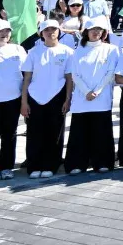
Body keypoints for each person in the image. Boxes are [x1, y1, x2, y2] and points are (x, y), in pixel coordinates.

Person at [64, 17, 118, 174]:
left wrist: (97, 91)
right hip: (82, 98)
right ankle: (77, 164)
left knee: (101, 131)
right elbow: (75, 74)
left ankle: (102, 162)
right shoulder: (77, 51)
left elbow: (110, 72)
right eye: (93, 29)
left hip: (102, 97)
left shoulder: (111, 49)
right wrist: (86, 91)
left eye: (99, 30)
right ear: (86, 32)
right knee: (80, 132)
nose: (96, 32)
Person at [20, 19, 71, 177]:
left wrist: (68, 99)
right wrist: (24, 102)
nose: (50, 32)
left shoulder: (67, 52)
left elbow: (69, 78)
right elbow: (27, 78)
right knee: (34, 133)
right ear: (41, 33)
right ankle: (34, 166)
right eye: (46, 30)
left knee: (54, 132)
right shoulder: (33, 52)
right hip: (35, 97)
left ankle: (51, 165)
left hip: (58, 96)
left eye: (54, 29)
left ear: (59, 31)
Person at [0, 21, 23, 178]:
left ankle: (6, 167)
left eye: (7, 31)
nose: (4, 34)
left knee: (9, 134)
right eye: (1, 31)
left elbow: (27, 72)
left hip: (13, 99)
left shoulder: (17, 49)